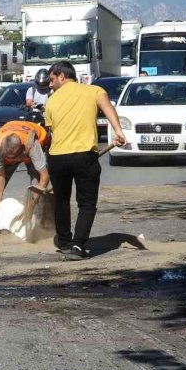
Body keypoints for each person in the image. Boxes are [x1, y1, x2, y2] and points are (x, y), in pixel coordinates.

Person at [45, 60, 126, 260]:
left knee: (61, 200)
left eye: (52, 79)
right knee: (87, 203)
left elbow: (51, 131)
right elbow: (108, 109)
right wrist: (118, 131)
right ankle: (78, 245)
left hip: (57, 158)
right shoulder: (94, 91)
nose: (49, 84)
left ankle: (64, 241)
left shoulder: (51, 101)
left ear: (62, 76)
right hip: (84, 156)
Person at [0, 120, 50, 240]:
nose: (14, 162)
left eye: (15, 158)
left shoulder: (31, 145)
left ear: (22, 150)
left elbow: (44, 177)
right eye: (9, 158)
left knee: (37, 188)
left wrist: (31, 205)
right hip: (10, 148)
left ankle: (36, 227)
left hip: (31, 149)